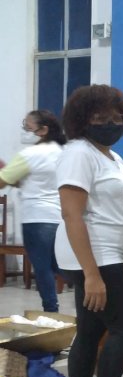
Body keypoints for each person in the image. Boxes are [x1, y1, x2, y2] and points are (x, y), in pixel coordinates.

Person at [55, 85, 123, 377]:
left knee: (90, 331)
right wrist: (91, 273)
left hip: (108, 253)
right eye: (100, 117)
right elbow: (72, 214)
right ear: (82, 118)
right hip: (95, 255)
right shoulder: (78, 152)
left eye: (116, 117)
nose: (110, 123)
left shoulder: (112, 156)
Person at [0, 110, 66, 312]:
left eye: (27, 128)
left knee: (42, 266)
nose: (25, 132)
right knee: (59, 265)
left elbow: (2, 182)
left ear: (43, 130)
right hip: (61, 217)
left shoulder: (29, 155)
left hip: (36, 217)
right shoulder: (63, 152)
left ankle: (51, 310)